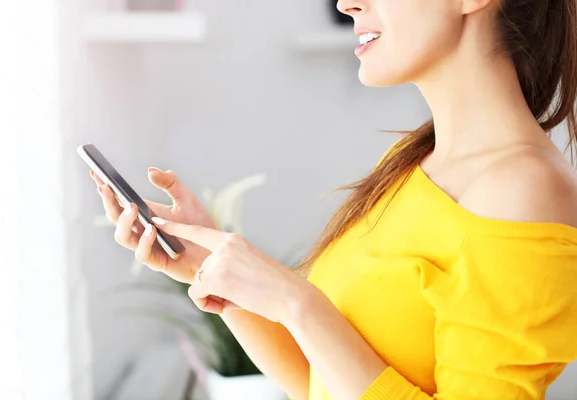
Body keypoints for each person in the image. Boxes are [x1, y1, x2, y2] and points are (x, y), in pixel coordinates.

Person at [89, 0, 577, 398]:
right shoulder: (415, 164)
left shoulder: (522, 192)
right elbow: (317, 384)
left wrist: (297, 302)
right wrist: (208, 267)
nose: (347, 3)